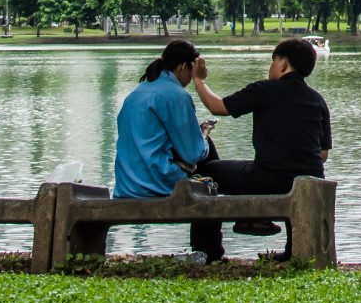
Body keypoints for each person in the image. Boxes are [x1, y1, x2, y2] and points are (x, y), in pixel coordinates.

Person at [188, 36, 332, 263]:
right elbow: (323, 154)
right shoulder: (317, 100)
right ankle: (287, 246)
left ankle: (207, 249)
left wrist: (199, 80)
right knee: (287, 174)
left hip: (268, 179)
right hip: (311, 178)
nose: (271, 67)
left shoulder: (265, 90)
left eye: (273, 61)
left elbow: (218, 107)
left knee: (208, 173)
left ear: (283, 64)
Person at [112, 39, 213, 204]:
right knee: (211, 180)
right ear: (183, 67)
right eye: (192, 71)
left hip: (126, 186)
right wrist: (204, 133)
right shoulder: (177, 95)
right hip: (156, 184)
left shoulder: (137, 92)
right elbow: (193, 153)